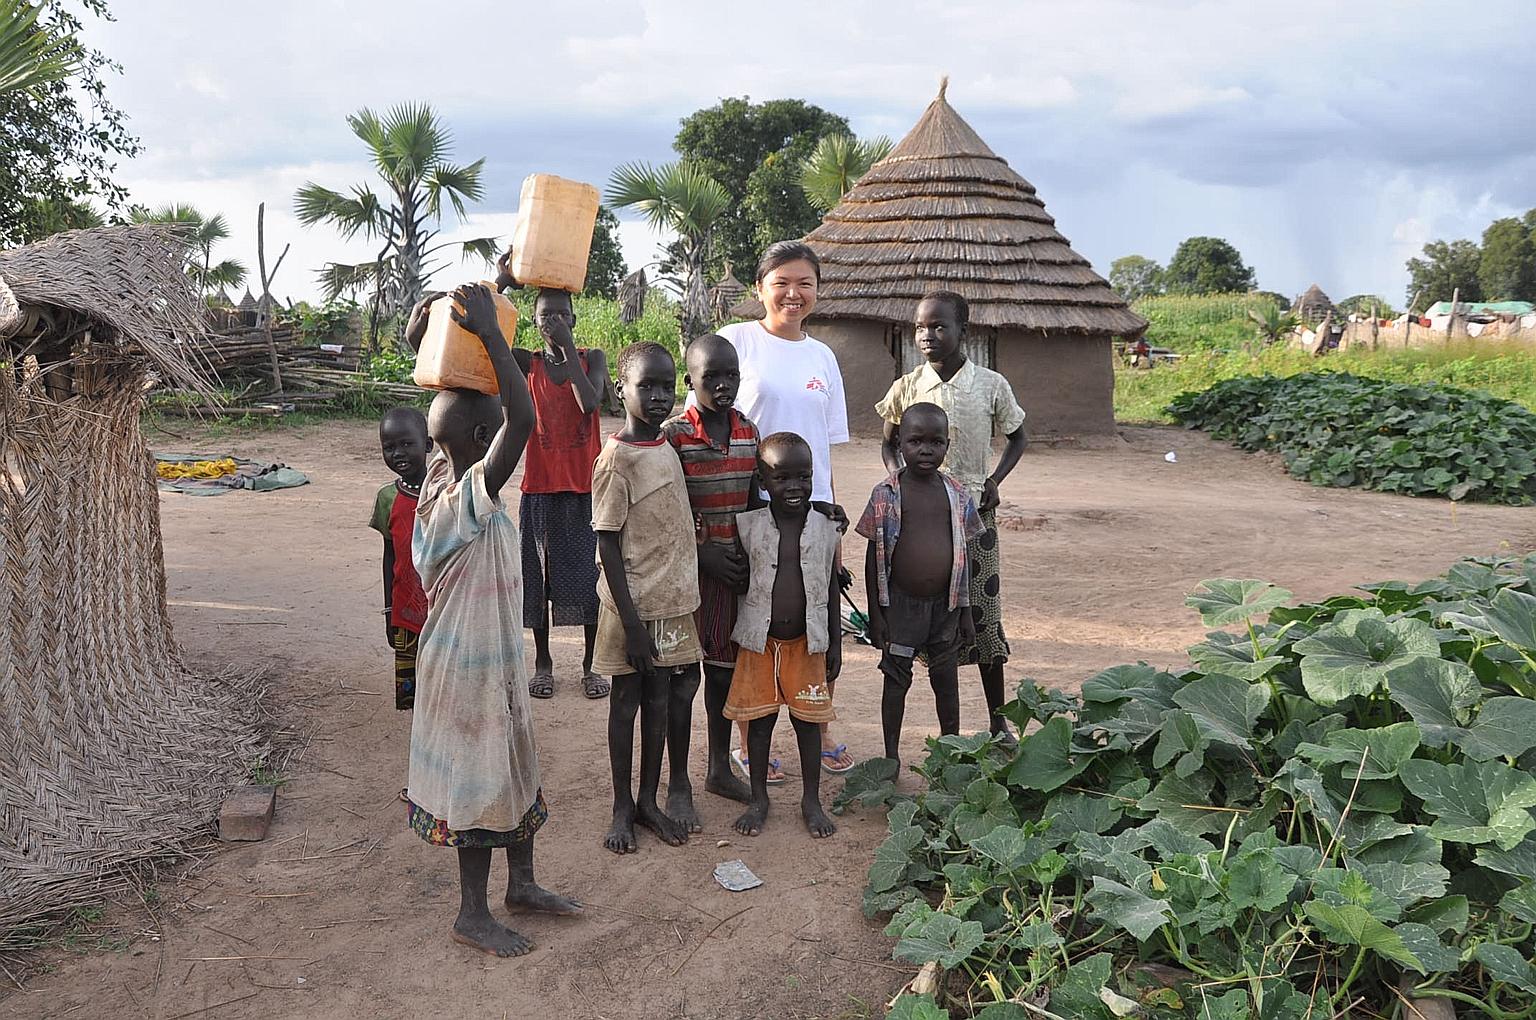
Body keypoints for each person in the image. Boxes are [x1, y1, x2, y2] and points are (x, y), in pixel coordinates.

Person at [405, 283, 580, 959]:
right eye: (494, 427)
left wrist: (469, 322)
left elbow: (489, 409)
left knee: (514, 764)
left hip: (492, 658)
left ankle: (523, 885)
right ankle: (472, 912)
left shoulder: (451, 478)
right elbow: (526, 419)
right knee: (480, 781)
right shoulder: (461, 496)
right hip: (465, 670)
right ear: (483, 439)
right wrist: (497, 340)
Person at [405, 255, 609, 700]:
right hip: (538, 488)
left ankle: (591, 666)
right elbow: (482, 341)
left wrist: (569, 347)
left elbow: (591, 402)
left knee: (584, 582)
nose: (553, 322)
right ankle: (543, 662)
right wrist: (501, 281)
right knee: (537, 582)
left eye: (561, 315)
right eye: (544, 317)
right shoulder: (527, 362)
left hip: (582, 489)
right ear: (534, 324)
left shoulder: (591, 358)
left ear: (574, 319)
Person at [710, 240, 855, 776]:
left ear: (818, 290)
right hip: (753, 508)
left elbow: (826, 444)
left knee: (816, 617)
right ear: (760, 288)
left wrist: (833, 521)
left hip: (813, 509)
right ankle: (750, 740)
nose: (793, 294)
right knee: (759, 622)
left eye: (805, 283)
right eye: (781, 283)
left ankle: (820, 725)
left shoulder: (824, 356)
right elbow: (704, 421)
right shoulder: (737, 342)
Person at [877, 290, 1027, 741]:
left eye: (939, 327)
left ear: (964, 331)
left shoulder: (991, 385)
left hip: (975, 520)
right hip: (919, 523)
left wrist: (995, 480)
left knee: (982, 617)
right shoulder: (907, 386)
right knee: (926, 613)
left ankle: (999, 723)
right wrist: (899, 481)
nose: (928, 336)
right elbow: (887, 442)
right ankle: (933, 733)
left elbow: (1019, 437)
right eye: (921, 327)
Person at [591, 341, 701, 854]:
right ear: (621, 390)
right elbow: (607, 544)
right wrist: (632, 623)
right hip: (631, 608)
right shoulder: (616, 459)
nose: (660, 397)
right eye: (647, 386)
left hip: (673, 604)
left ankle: (648, 800)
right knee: (626, 702)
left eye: (667, 386)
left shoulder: (668, 447)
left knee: (661, 700)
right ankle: (620, 806)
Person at [724, 432, 842, 839]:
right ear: (762, 481)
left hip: (807, 645)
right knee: (760, 725)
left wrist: (835, 645)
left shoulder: (826, 528)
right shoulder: (748, 526)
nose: (794, 487)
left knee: (808, 726)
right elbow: (738, 580)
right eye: (782, 478)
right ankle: (759, 799)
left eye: (803, 477)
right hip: (759, 644)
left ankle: (812, 800)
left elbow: (829, 588)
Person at [660, 335, 758, 823]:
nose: (723, 386)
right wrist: (703, 555)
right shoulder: (673, 437)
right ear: (689, 381)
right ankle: (678, 781)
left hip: (732, 579)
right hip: (686, 579)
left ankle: (718, 766)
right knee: (682, 681)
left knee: (722, 675)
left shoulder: (749, 433)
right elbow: (663, 515)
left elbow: (756, 502)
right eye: (711, 377)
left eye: (731, 376)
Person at [859, 403, 983, 764]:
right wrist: (877, 614)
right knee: (896, 680)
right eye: (916, 441)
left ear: (948, 444)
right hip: (900, 608)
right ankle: (891, 756)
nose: (926, 450)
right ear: (899, 443)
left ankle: (951, 750)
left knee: (946, 680)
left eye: (935, 442)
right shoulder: (885, 493)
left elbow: (965, 557)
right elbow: (873, 557)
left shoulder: (957, 495)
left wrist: (965, 612)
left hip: (944, 608)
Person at [369, 406, 429, 712]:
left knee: (443, 678)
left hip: (444, 608)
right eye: (389, 447)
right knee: (412, 687)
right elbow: (388, 555)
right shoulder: (387, 498)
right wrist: (389, 610)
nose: (398, 453)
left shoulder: (444, 492)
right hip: (405, 607)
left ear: (428, 444)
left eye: (407, 444)